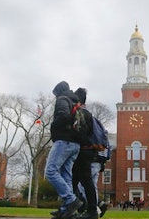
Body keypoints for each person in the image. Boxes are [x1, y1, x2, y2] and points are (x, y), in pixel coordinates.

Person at [45, 81, 84, 219]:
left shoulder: (62, 99)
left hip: (64, 141)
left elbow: (63, 116)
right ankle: (66, 210)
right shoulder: (75, 101)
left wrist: (53, 127)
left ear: (58, 91)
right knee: (66, 175)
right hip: (75, 144)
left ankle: (71, 200)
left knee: (50, 171)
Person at [71, 87, 97, 219]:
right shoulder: (88, 114)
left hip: (82, 151)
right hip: (88, 151)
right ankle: (82, 208)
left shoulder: (81, 113)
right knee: (77, 182)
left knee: (82, 182)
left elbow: (80, 132)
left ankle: (90, 210)